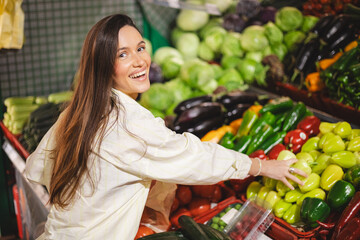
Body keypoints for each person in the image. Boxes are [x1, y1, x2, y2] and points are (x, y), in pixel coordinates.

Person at [25, 14, 307, 240]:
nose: (139, 61)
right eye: (122, 55)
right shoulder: (128, 123)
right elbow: (192, 156)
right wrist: (260, 166)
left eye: (140, 48)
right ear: (103, 66)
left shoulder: (78, 109)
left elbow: (41, 166)